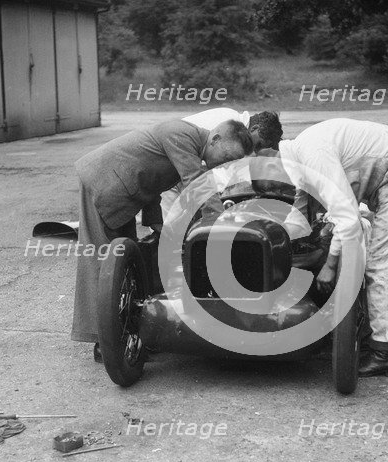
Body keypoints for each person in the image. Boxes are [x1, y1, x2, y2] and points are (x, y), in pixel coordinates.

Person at [70, 119, 254, 361]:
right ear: (216, 138)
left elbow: (153, 178)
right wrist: (220, 224)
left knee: (129, 265)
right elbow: (196, 183)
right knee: (103, 265)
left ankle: (126, 329)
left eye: (232, 162)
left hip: (124, 191)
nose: (225, 165)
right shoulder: (181, 134)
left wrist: (158, 226)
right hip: (102, 181)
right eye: (226, 157)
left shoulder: (189, 144)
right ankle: (104, 343)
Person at [280, 118, 388, 377]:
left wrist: (328, 265)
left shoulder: (313, 156)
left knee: (384, 260)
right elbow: (299, 214)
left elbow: (347, 217)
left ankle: (385, 353)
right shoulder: (298, 157)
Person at [160, 109, 283, 219]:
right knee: (171, 231)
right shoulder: (228, 125)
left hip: (183, 169)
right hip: (172, 169)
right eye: (259, 144)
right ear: (254, 128)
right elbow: (206, 177)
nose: (255, 150)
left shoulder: (235, 125)